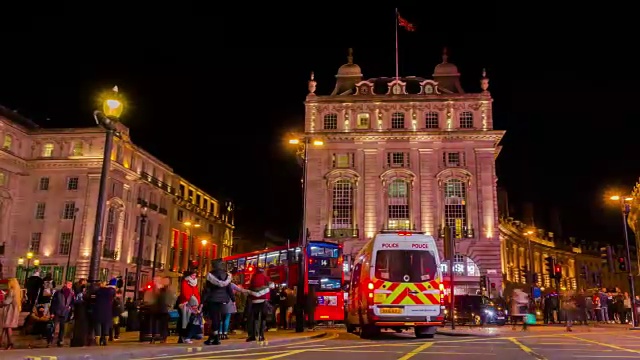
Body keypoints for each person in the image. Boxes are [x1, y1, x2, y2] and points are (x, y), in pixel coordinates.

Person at [202, 260, 234, 345]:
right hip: (223, 300)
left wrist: (202, 301)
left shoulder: (210, 275)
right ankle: (214, 337)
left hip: (212, 299)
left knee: (214, 318)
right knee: (218, 318)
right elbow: (229, 289)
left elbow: (207, 290)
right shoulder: (226, 275)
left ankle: (215, 337)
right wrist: (233, 299)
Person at [246, 267, 273, 342]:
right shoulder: (265, 277)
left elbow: (250, 287)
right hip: (264, 300)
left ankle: (254, 335)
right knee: (263, 318)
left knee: (255, 318)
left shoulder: (253, 277)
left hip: (254, 300)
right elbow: (272, 286)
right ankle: (261, 335)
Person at [50, 280, 75, 347]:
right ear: (65, 284)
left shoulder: (71, 294)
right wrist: (52, 312)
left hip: (65, 312)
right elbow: (53, 303)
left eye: (71, 284)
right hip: (57, 312)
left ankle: (60, 340)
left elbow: (72, 303)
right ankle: (50, 340)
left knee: (62, 327)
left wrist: (70, 307)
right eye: (69, 284)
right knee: (53, 327)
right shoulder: (58, 292)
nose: (70, 286)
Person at [178, 270, 200, 343]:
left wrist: (197, 303)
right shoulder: (185, 282)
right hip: (186, 304)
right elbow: (185, 293)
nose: (194, 277)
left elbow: (197, 293)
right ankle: (183, 336)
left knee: (191, 321)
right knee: (185, 320)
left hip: (194, 305)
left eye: (195, 275)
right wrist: (191, 300)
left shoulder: (195, 283)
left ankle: (188, 336)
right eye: (193, 275)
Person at [0, 278, 22, 349]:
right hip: (14, 311)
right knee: (7, 327)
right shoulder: (18, 291)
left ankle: (10, 343)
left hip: (10, 311)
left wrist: (2, 302)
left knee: (7, 326)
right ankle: (4, 342)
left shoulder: (11, 291)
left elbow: (7, 301)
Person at [92, 281, 116, 346]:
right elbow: (114, 293)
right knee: (106, 326)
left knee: (98, 325)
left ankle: (97, 340)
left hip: (98, 311)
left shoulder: (97, 291)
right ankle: (105, 340)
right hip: (107, 311)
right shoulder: (110, 291)